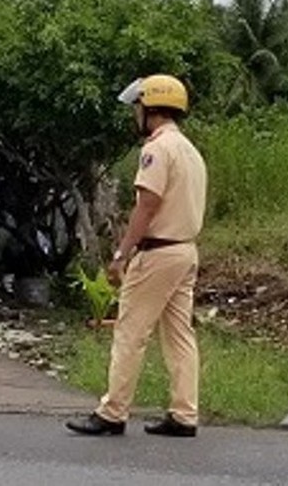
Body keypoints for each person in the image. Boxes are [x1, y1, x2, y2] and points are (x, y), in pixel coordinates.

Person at [66, 74, 207, 438]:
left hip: (158, 252)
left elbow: (146, 206)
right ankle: (184, 413)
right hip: (185, 251)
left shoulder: (156, 150)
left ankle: (112, 411)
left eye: (137, 108)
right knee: (179, 335)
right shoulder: (190, 150)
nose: (135, 115)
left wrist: (120, 254)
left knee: (130, 331)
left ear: (150, 109)